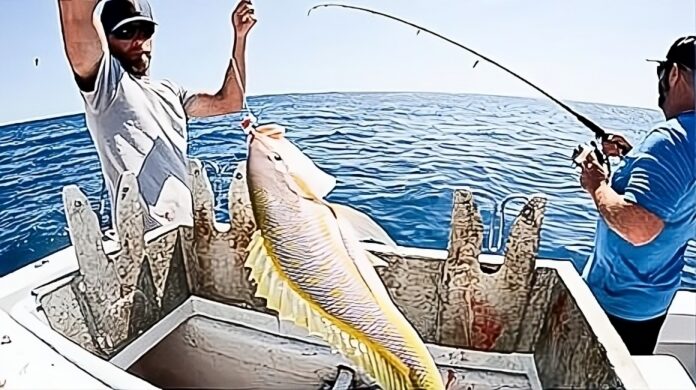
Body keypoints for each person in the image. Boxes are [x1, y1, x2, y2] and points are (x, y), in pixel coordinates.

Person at [57, 0, 256, 230]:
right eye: (126, 31)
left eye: (145, 30)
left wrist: (240, 37)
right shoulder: (106, 86)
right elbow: (76, 13)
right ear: (106, 39)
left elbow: (229, 102)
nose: (139, 40)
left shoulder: (172, 91)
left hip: (190, 233)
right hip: (143, 246)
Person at [578, 36, 696, 355]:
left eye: (661, 71)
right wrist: (634, 157)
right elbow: (680, 195)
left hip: (615, 304)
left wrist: (596, 182)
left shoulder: (672, 139)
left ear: (673, 74)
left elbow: (639, 228)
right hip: (653, 304)